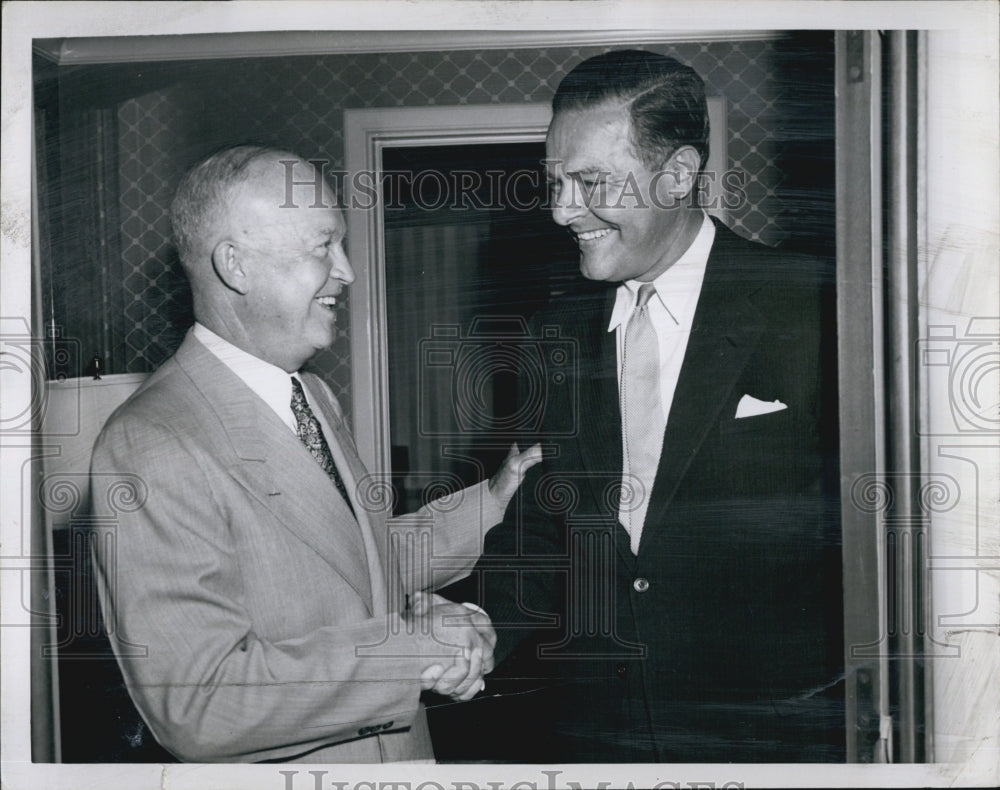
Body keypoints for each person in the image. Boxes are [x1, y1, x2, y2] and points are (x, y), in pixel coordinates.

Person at [89, 145, 540, 763]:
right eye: (322, 246)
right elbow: (199, 700)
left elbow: (344, 565)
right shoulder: (151, 441)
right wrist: (414, 651)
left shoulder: (312, 395)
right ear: (236, 266)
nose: (348, 271)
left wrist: (492, 503)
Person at [473, 50, 844, 762]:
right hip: (599, 735)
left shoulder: (815, 306)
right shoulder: (554, 334)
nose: (560, 211)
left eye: (590, 182)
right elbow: (547, 535)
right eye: (554, 182)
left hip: (770, 741)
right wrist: (475, 622)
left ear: (677, 174)